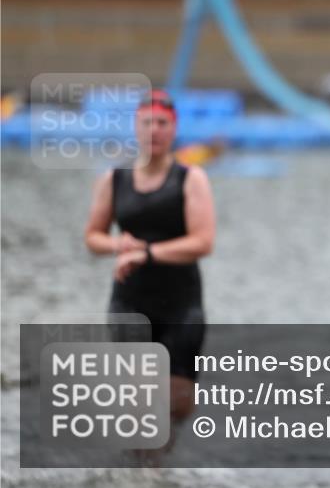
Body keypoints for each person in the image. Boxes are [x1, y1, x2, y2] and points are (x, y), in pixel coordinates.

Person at [84, 89, 215, 460]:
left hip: (181, 305)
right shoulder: (114, 179)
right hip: (129, 301)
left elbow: (203, 241)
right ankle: (141, 472)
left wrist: (147, 253)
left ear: (173, 130)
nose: (154, 131)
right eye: (146, 123)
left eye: (162, 124)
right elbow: (92, 236)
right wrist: (117, 246)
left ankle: (149, 458)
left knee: (178, 404)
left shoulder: (191, 179)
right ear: (135, 127)